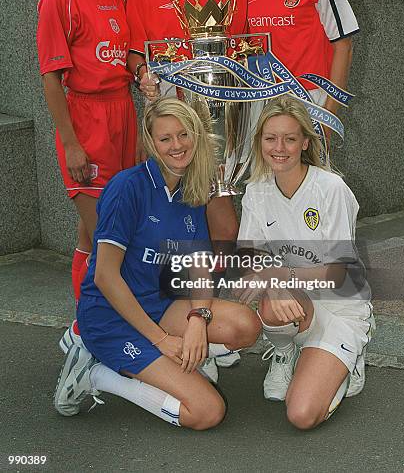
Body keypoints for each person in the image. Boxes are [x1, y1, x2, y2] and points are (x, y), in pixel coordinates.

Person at [54, 98, 261, 429]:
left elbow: (198, 265)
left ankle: (184, 359)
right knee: (207, 412)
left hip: (160, 304)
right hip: (111, 317)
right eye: (165, 139)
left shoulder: (190, 187)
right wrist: (161, 340)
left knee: (246, 325)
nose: (177, 146)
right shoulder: (127, 188)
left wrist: (197, 319)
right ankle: (94, 373)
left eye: (183, 135)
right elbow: (106, 277)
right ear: (151, 143)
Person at [127, 0, 250, 372]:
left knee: (222, 224)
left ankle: (210, 322)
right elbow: (138, 49)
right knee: (167, 224)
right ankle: (175, 324)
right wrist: (143, 75)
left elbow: (246, 57)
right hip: (170, 124)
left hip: (219, 125)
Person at [236, 95, 374, 429]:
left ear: (305, 143)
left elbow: (339, 273)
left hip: (341, 308)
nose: (279, 147)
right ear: (259, 143)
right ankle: (286, 353)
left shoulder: (331, 189)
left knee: (301, 415)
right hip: (299, 305)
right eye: (270, 138)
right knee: (270, 300)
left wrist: (280, 274)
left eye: (290, 138)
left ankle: (349, 356)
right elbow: (247, 258)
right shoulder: (257, 190)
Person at [36, 0, 137, 343]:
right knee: (108, 238)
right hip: (85, 120)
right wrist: (71, 142)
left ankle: (82, 322)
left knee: (94, 231)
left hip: (124, 114)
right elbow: (52, 80)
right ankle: (98, 330)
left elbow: (126, 58)